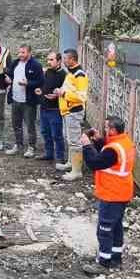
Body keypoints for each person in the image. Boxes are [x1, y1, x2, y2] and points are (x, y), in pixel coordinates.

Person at [80, 116, 136, 274]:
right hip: (122, 192)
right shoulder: (124, 142)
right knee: (116, 226)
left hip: (112, 193)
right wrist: (98, 141)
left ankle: (103, 263)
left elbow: (96, 162)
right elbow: (108, 153)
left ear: (112, 130)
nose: (104, 130)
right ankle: (116, 258)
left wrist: (86, 145)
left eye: (106, 128)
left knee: (104, 229)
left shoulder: (113, 150)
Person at [53, 49, 90, 182]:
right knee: (69, 138)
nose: (63, 61)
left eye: (65, 58)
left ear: (72, 59)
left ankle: (76, 170)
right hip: (67, 111)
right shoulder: (71, 73)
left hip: (74, 112)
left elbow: (81, 97)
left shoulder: (80, 75)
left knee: (75, 141)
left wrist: (63, 94)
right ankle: (70, 163)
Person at [5, 44, 44, 158]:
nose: (20, 55)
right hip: (16, 98)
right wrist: (9, 79)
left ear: (29, 53)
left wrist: (28, 83)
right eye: (19, 52)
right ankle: (18, 144)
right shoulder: (15, 63)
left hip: (28, 101)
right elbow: (10, 75)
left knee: (30, 124)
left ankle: (31, 147)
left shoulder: (36, 65)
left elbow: (41, 81)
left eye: (23, 52)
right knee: (16, 124)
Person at [36, 50, 66, 169]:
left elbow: (65, 92)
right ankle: (49, 153)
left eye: (51, 60)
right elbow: (45, 86)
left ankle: (60, 157)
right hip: (44, 108)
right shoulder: (48, 72)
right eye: (48, 60)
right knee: (45, 132)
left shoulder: (63, 75)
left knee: (56, 134)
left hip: (55, 109)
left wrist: (57, 95)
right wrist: (41, 91)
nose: (49, 62)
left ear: (59, 61)